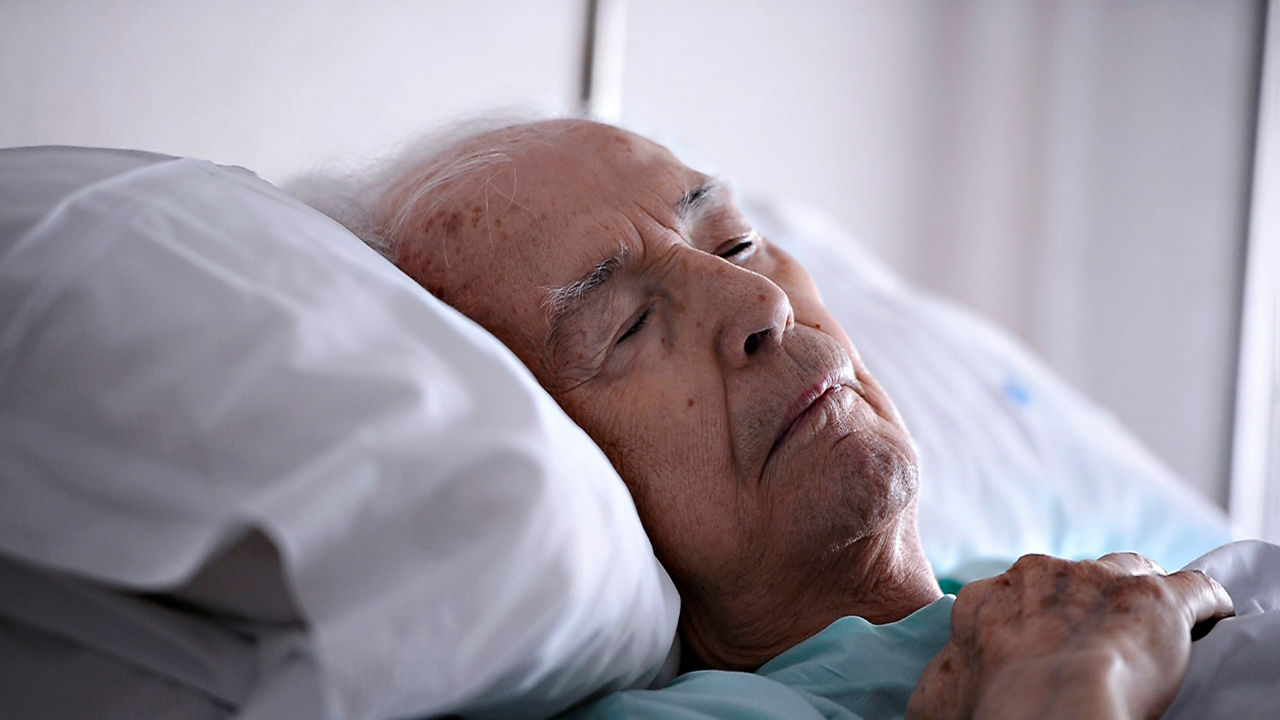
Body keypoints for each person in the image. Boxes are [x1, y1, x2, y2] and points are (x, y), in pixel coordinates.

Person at [320, 118, 1234, 718]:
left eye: (735, 241)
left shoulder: (1027, 588)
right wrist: (1071, 692)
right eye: (629, 326)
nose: (760, 303)